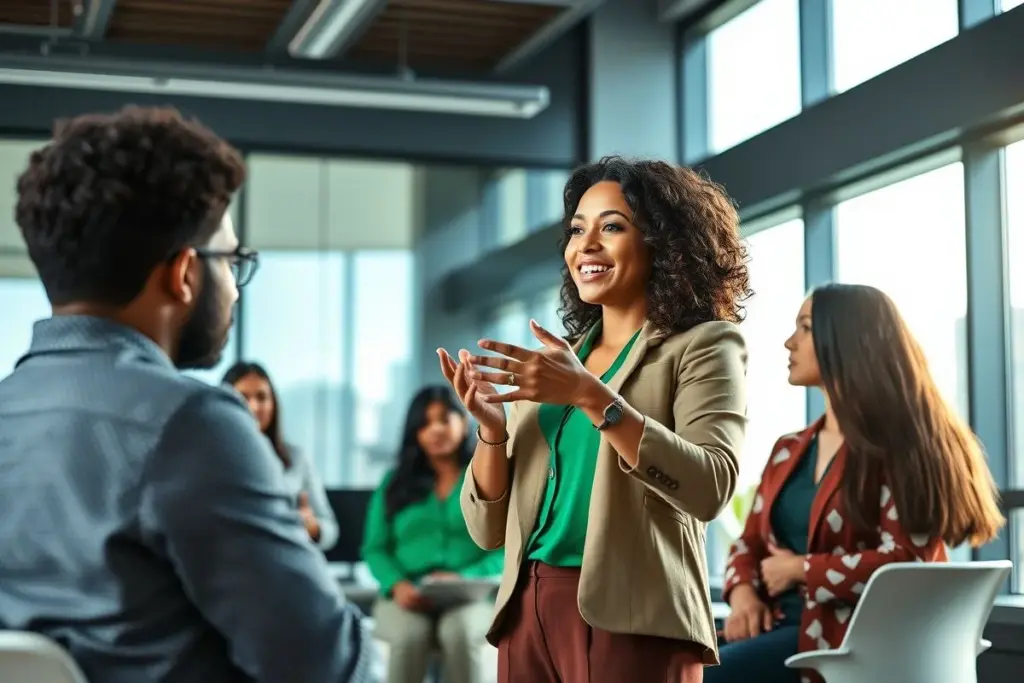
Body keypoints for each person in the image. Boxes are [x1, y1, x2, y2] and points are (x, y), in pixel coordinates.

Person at [0, 106, 369, 683]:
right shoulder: (190, 422)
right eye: (232, 261)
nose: (236, 290)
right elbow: (322, 664)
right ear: (184, 274)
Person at [438, 156, 752, 683]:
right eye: (577, 229)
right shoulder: (554, 368)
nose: (586, 245)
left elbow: (710, 485)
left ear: (663, 242)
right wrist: (491, 433)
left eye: (612, 227)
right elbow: (487, 530)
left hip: (634, 614)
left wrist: (593, 397)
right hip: (526, 610)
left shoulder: (705, 346)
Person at [710, 283, 1005, 683]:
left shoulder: (903, 450)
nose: (788, 342)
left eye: (805, 327)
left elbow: (905, 563)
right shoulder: (788, 449)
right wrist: (742, 594)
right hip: (776, 627)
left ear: (846, 340)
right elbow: (748, 544)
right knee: (666, 663)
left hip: (846, 645)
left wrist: (801, 569)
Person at [362, 385, 503, 683]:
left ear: (463, 422)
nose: (436, 429)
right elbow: (374, 548)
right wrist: (397, 584)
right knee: (409, 636)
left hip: (471, 596)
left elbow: (507, 546)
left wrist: (467, 578)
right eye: (425, 423)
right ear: (415, 433)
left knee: (461, 633)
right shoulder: (393, 483)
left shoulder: (488, 475)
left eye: (444, 418)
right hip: (406, 594)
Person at [223, 361, 339, 550]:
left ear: (273, 404)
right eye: (243, 397)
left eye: (262, 397)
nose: (253, 407)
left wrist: (313, 528)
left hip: (285, 559)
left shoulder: (296, 459)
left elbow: (330, 529)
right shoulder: (211, 458)